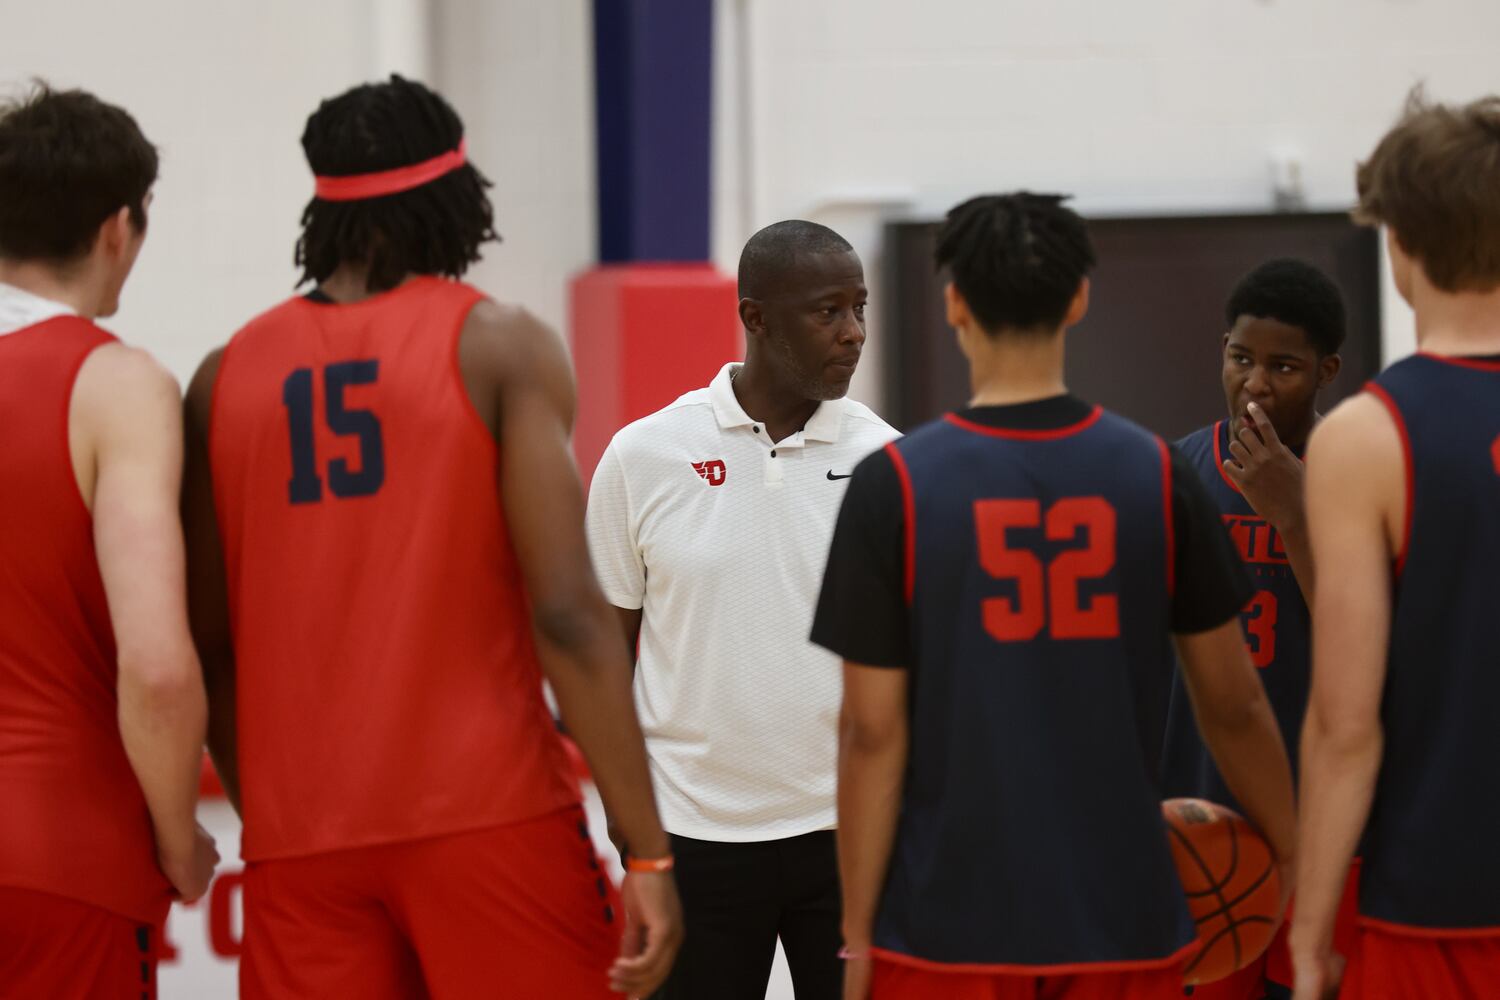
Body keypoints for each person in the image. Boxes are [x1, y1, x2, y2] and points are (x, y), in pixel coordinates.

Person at [182, 76, 680, 999]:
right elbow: (569, 615)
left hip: (303, 843)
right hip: (488, 818)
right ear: (456, 200)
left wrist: (283, 828)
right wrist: (645, 851)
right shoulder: (499, 344)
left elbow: (209, 644)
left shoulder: (222, 378)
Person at [814, 192, 1298, 1000]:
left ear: (955, 303)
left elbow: (869, 732)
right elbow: (1235, 704)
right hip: (1123, 919)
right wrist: (1290, 855)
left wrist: (859, 934)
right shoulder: (1158, 473)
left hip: (943, 929)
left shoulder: (892, 484)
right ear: (1079, 297)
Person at [584, 219, 898, 998]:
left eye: (860, 309)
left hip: (851, 840)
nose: (853, 333)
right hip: (693, 840)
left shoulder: (890, 462)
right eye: (828, 312)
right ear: (755, 317)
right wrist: (631, 825)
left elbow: (915, 664)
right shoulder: (640, 456)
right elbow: (600, 659)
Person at [0, 84, 217, 998]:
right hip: (57, 847)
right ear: (119, 228)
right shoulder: (114, 383)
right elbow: (158, 667)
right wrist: (176, 836)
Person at [1291, 91, 1500, 1000]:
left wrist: (1307, 929)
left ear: (1400, 245)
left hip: (1437, 900)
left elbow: (1345, 727)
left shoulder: (1367, 436)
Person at [1160, 258, 1355, 1000]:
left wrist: (1297, 514)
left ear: (1326, 370)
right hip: (1203, 811)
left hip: (1321, 819)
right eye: (1241, 359)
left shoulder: (1353, 471)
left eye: (1284, 366)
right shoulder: (1179, 470)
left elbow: (1366, 644)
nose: (1257, 384)